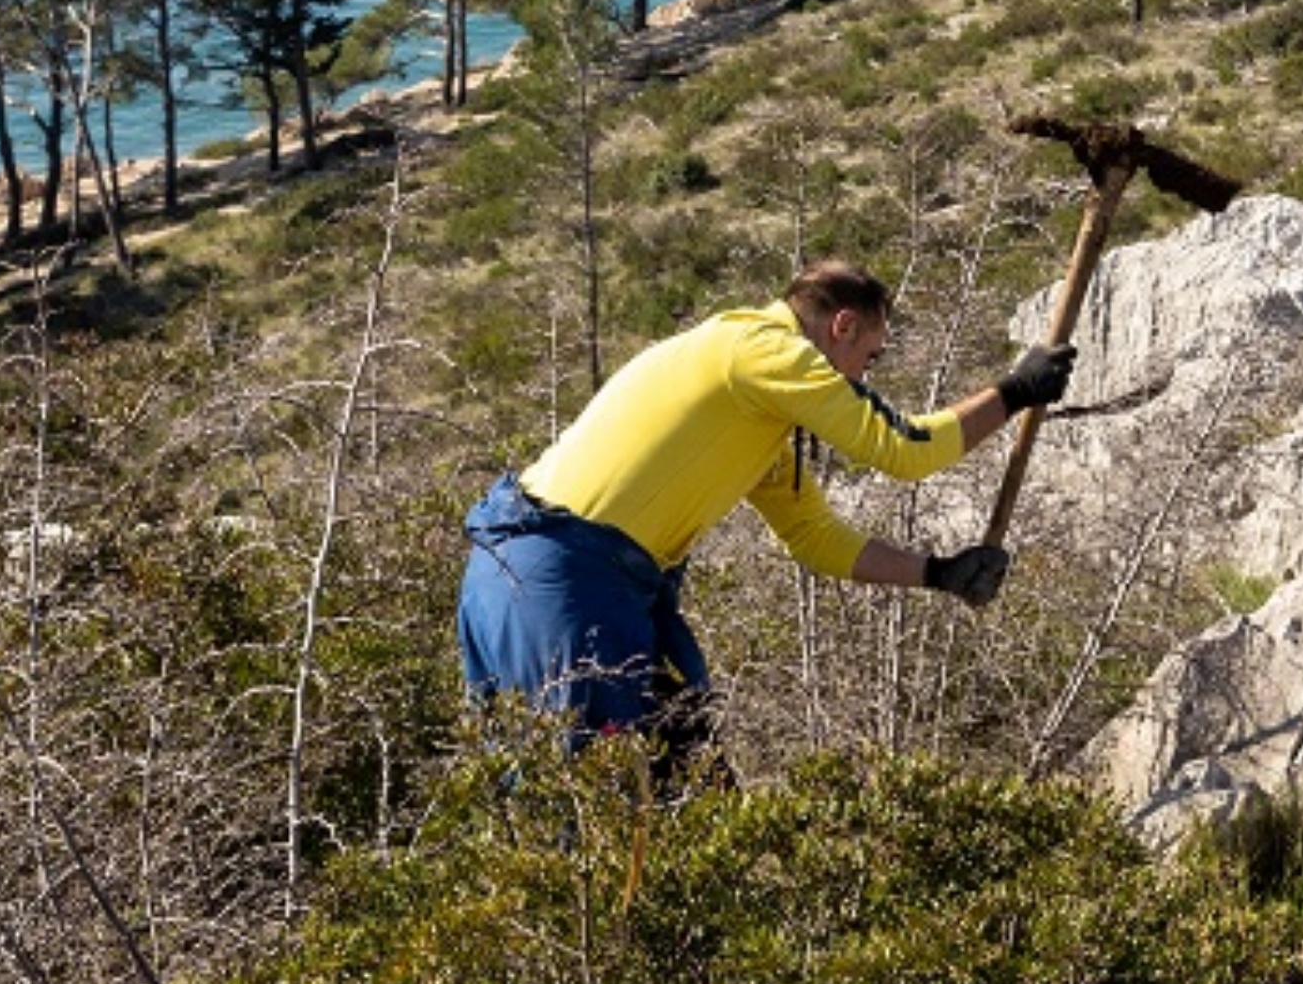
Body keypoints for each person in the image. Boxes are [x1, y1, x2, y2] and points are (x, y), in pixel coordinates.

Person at [458, 259, 1071, 773]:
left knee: (686, 780)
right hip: (560, 579)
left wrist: (939, 573)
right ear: (842, 326)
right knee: (597, 811)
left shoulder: (754, 402)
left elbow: (813, 536)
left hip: (537, 577)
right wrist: (1015, 393)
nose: (863, 376)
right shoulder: (763, 351)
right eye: (870, 357)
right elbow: (905, 449)